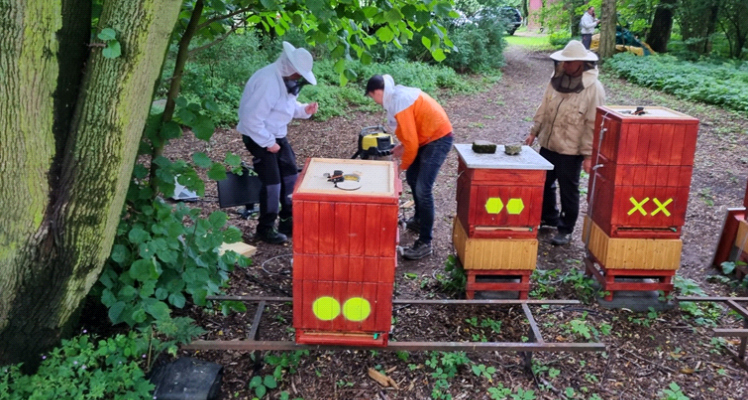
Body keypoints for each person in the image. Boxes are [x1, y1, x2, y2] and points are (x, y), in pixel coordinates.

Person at [237, 41, 319, 244]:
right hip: (257, 136)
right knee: (273, 183)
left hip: (276, 134)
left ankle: (287, 220)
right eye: (298, 74)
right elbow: (250, 119)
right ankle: (265, 228)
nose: (299, 78)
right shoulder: (267, 82)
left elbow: (285, 107)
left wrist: (304, 110)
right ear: (290, 68)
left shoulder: (284, 80)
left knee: (291, 175)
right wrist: (267, 143)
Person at [524, 40, 606, 246]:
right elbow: (544, 106)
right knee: (543, 183)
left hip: (572, 149)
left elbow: (593, 124)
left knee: (568, 190)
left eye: (569, 62)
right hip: (549, 143)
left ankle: (566, 228)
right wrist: (534, 132)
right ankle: (549, 218)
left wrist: (588, 155)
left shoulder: (594, 88)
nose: (566, 65)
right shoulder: (556, 78)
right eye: (564, 61)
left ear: (581, 62)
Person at [365, 75, 453, 260]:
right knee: (413, 178)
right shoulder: (396, 97)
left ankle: (425, 242)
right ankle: (419, 221)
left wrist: (400, 167)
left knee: (423, 188)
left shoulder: (399, 102)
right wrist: (401, 147)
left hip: (438, 138)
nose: (374, 100)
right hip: (427, 138)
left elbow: (412, 144)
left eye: (373, 96)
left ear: (378, 91)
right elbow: (411, 134)